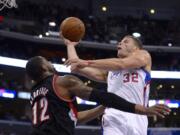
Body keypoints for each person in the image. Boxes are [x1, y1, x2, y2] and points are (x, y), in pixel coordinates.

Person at [26, 56, 170, 135]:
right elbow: (104, 97)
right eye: (47, 61)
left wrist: (102, 108)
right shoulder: (63, 81)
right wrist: (143, 109)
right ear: (44, 67)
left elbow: (74, 119)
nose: (51, 63)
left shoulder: (34, 93)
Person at [63, 35, 166, 135]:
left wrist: (86, 62)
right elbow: (76, 66)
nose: (120, 43)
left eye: (126, 41)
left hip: (138, 117)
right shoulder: (110, 72)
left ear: (136, 48)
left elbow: (121, 64)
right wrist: (70, 45)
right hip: (114, 116)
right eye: (120, 41)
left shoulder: (144, 55)